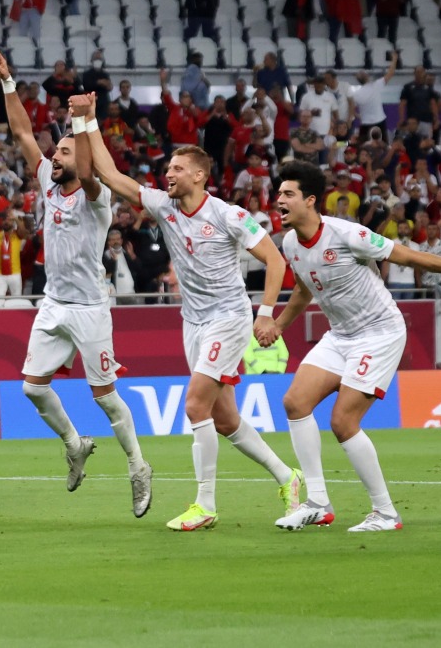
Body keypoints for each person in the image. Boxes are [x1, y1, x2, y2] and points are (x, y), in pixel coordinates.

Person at [86, 127, 302, 531]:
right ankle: (287, 477)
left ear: (199, 175)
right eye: (168, 167)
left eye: (178, 168)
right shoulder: (163, 207)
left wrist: (266, 312)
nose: (168, 173)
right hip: (193, 321)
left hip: (229, 317)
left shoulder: (227, 215)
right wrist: (89, 123)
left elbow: (275, 260)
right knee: (225, 420)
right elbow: (110, 175)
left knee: (195, 406)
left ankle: (204, 504)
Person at [270, 161, 441, 532]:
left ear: (310, 201)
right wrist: (279, 324)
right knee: (295, 402)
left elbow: (410, 256)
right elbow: (303, 288)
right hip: (341, 334)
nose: (278, 199)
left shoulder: (347, 234)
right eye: (278, 194)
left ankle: (386, 513)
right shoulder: (292, 243)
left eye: (287, 194)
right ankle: (317, 503)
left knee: (343, 421)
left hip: (379, 332)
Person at [0, 47, 152, 514]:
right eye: (54, 152)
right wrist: (8, 83)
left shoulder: (96, 197)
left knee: (107, 398)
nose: (52, 158)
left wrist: (82, 122)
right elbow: (20, 131)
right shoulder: (48, 183)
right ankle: (75, 444)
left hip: (90, 308)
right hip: (53, 303)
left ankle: (138, 466)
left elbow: (94, 171)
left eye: (61, 153)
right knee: (33, 388)